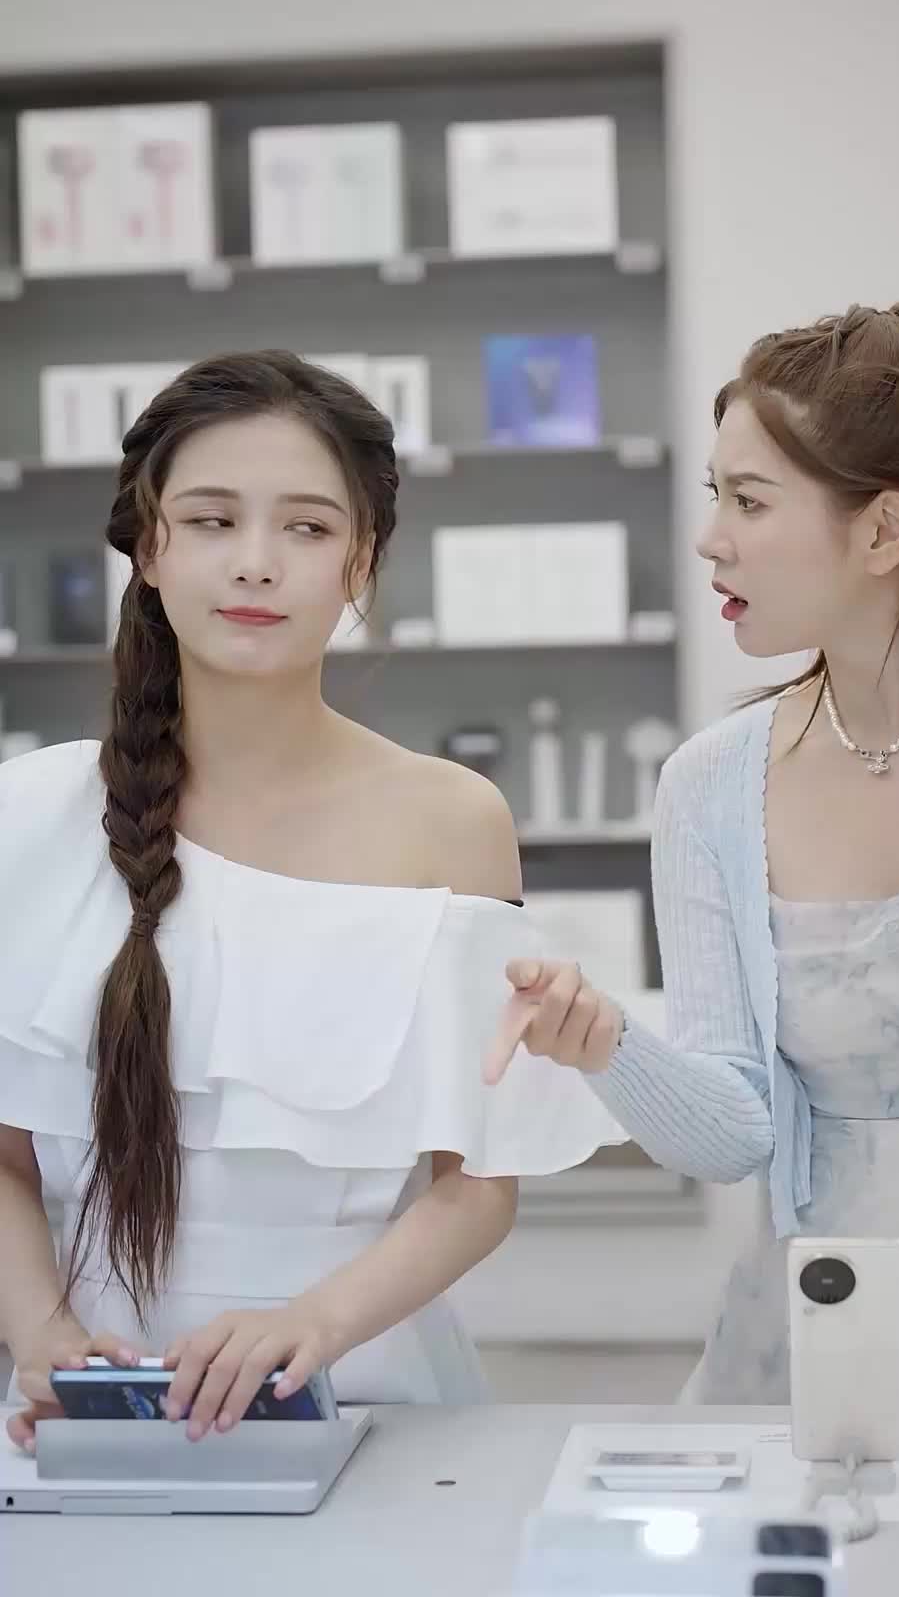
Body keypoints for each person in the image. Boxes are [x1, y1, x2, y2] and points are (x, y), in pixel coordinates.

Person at [0, 350, 622, 1453]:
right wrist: (42, 1332)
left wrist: (311, 1325)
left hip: (362, 1392)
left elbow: (478, 1187)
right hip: (87, 1404)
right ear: (150, 547)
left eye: (307, 527)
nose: (256, 563)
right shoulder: (29, 814)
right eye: (211, 521)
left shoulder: (450, 819)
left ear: (360, 562)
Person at [488, 301, 899, 1407]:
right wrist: (608, 1044)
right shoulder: (711, 784)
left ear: (885, 531)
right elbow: (732, 1134)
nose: (710, 537)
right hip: (821, 1355)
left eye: (750, 501)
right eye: (716, 495)